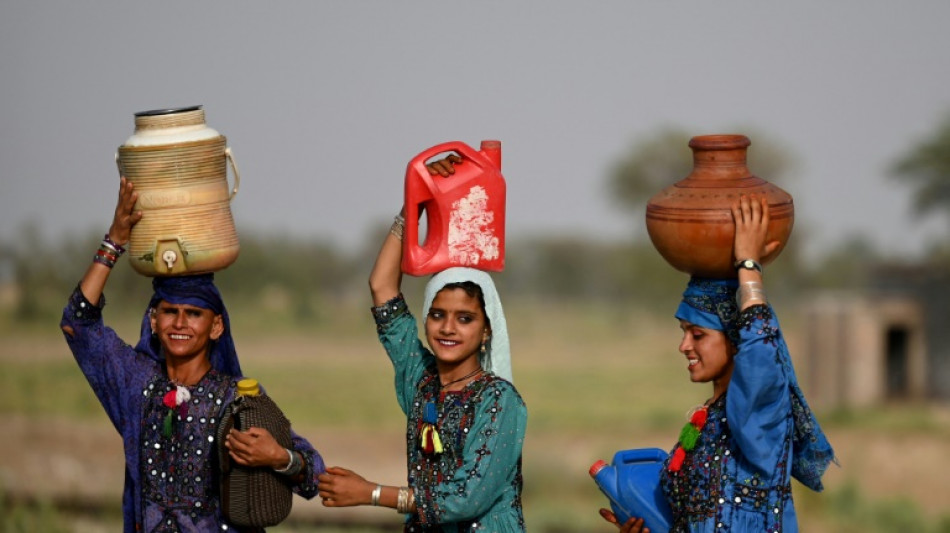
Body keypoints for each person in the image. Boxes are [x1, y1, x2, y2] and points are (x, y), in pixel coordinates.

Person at [60, 177, 326, 532]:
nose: (180, 323)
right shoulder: (134, 382)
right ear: (153, 320)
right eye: (170, 311)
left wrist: (279, 458)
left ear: (216, 327)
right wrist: (115, 240)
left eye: (194, 313)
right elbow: (78, 322)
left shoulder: (239, 399)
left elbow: (314, 475)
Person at [601, 194, 836, 533]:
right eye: (683, 332)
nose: (683, 346)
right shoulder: (706, 418)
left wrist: (748, 267)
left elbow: (760, 350)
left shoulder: (759, 413)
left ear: (737, 339)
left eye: (698, 335)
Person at [316, 156, 528, 532]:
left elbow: (465, 499)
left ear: (486, 330)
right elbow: (382, 288)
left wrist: (372, 493)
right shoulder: (422, 380)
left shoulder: (500, 401)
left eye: (465, 318)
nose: (447, 328)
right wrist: (415, 205)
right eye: (437, 314)